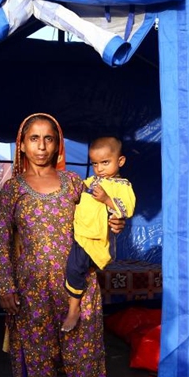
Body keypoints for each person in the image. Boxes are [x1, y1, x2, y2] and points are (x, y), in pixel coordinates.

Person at [0, 113, 124, 377]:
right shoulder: (13, 188)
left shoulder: (74, 182)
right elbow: (1, 241)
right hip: (31, 291)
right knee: (37, 357)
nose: (41, 146)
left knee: (83, 352)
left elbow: (103, 210)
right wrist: (6, 286)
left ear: (58, 145)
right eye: (34, 139)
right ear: (22, 145)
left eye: (48, 138)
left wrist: (115, 220)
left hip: (76, 287)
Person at [62, 136, 136, 332]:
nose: (100, 168)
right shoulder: (91, 181)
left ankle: (73, 309)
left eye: (105, 162)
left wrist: (107, 199)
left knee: (74, 269)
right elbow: (76, 192)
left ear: (120, 161)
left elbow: (127, 209)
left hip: (95, 239)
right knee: (72, 268)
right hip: (81, 234)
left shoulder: (123, 186)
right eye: (95, 163)